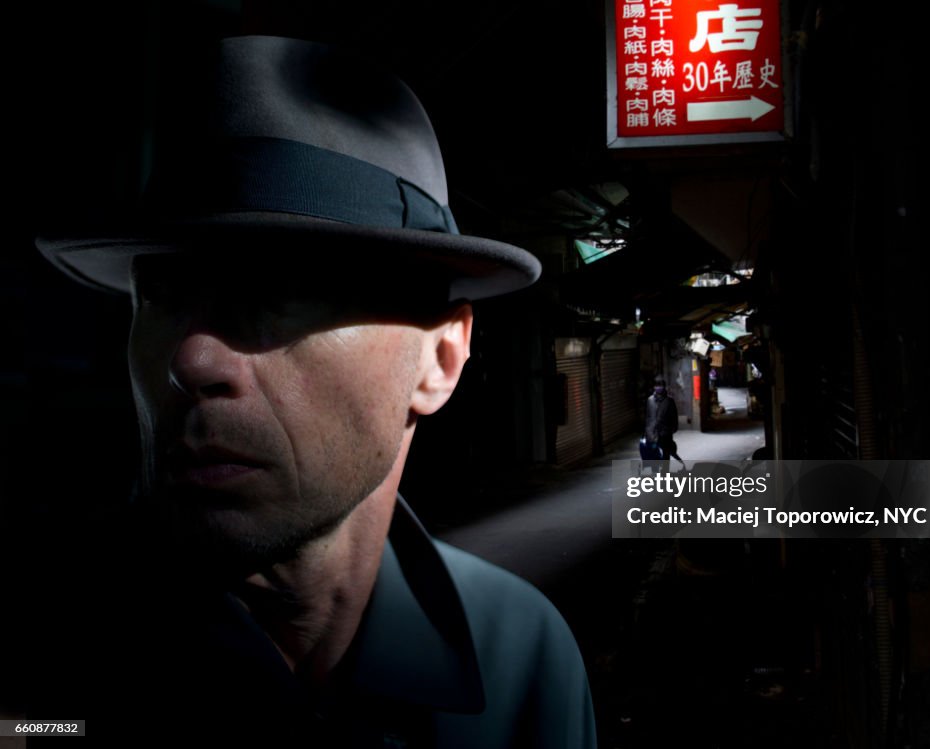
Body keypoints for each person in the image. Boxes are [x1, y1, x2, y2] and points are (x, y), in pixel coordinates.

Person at [31, 35, 595, 748]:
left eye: (285, 293)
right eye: (165, 297)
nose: (194, 356)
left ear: (441, 357)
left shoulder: (525, 659)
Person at [644, 375, 680, 464]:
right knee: (654, 455)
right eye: (656, 385)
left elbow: (674, 416)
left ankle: (665, 474)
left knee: (666, 455)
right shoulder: (650, 400)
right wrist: (647, 431)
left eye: (660, 385)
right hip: (653, 433)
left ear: (664, 387)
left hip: (666, 433)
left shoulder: (669, 401)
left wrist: (673, 428)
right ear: (654, 387)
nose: (658, 387)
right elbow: (648, 416)